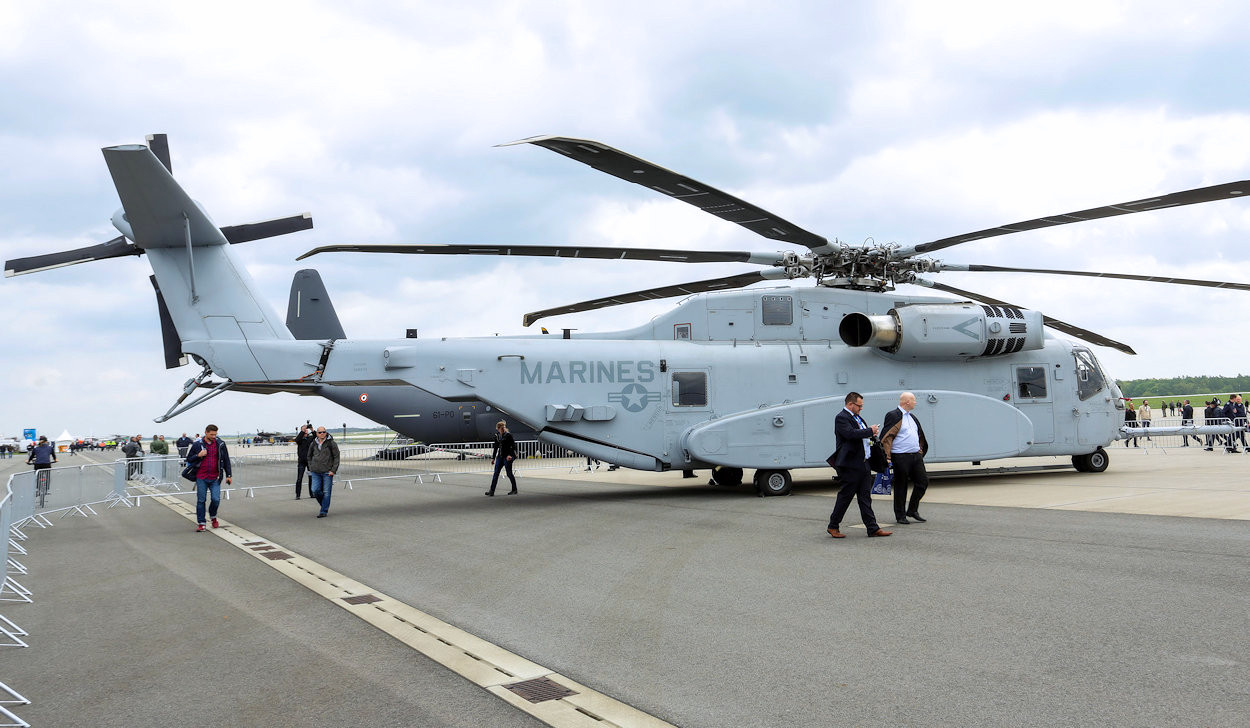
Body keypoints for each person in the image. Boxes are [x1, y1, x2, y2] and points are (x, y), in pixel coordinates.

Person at [826, 392, 891, 538]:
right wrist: (869, 430)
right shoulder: (841, 418)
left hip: (863, 463)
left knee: (865, 497)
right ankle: (833, 526)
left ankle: (873, 528)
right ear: (850, 404)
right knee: (845, 496)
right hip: (850, 465)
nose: (861, 408)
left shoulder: (858, 418)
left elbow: (862, 436)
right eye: (859, 406)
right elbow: (850, 434)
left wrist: (872, 436)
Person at [880, 391, 930, 524]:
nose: (915, 402)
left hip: (915, 456)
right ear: (907, 402)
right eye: (913, 400)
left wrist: (920, 450)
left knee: (923, 482)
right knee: (901, 485)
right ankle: (900, 515)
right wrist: (887, 456)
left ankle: (912, 510)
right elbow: (887, 436)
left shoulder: (912, 417)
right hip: (900, 456)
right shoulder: (893, 415)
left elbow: (918, 435)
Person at [184, 424, 232, 532]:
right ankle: (201, 523)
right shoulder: (197, 445)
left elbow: (226, 460)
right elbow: (189, 459)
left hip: (215, 477)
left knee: (216, 499)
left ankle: (213, 516)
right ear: (206, 432)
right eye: (212, 434)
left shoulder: (221, 444)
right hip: (201, 477)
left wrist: (229, 475)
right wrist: (198, 455)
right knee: (201, 500)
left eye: (215, 434)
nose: (214, 436)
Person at [308, 426, 340, 518]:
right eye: (320, 432)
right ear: (317, 433)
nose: (322, 434)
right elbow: (309, 456)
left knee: (326, 492)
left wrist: (333, 470)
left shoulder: (331, 443)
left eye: (323, 432)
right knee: (315, 490)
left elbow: (336, 457)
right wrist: (311, 467)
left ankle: (323, 511)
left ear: (326, 433)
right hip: (315, 471)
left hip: (327, 472)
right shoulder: (313, 443)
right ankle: (324, 504)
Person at [485, 420, 518, 496]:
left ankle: (514, 489)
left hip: (507, 457)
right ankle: (491, 491)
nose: (502, 429)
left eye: (503, 427)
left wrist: (510, 455)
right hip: (500, 456)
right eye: (501, 428)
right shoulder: (497, 436)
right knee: (496, 473)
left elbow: (513, 446)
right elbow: (496, 447)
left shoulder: (508, 435)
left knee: (509, 473)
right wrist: (493, 458)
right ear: (498, 428)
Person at [293, 424, 313, 499]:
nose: (305, 432)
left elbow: (315, 436)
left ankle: (312, 493)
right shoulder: (299, 439)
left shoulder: (310, 438)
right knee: (299, 478)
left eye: (306, 431)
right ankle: (298, 495)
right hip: (301, 461)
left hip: (309, 461)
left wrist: (312, 429)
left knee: (311, 478)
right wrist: (302, 431)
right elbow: (296, 440)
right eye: (304, 431)